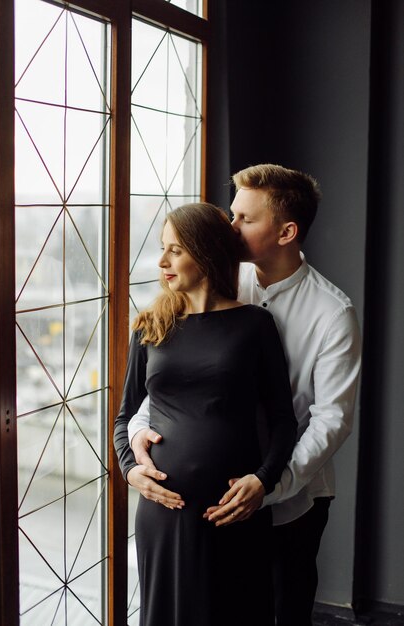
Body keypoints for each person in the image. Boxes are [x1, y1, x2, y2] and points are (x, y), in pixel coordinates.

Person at [126, 165, 362, 626]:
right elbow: (168, 380)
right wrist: (137, 437)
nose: (230, 226)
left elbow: (330, 419)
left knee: (280, 611)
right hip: (205, 503)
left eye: (244, 219)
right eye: (231, 215)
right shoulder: (213, 283)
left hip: (290, 495)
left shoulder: (333, 313)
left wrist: (266, 483)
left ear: (286, 231)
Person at [114, 202, 297, 626]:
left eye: (175, 250)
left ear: (208, 251)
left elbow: (283, 420)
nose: (162, 262)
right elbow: (124, 417)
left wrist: (263, 479)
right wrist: (129, 470)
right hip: (162, 510)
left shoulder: (255, 325)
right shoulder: (150, 326)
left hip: (232, 508)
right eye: (163, 249)